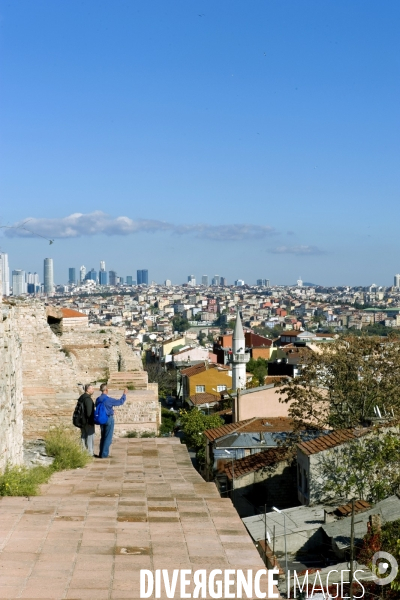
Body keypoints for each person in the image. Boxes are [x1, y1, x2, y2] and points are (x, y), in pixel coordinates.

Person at [96, 384, 128, 458]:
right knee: (108, 437)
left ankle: (101, 453)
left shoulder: (98, 399)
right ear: (106, 390)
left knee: (103, 436)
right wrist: (124, 394)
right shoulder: (108, 399)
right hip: (108, 419)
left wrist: (111, 411)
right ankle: (104, 454)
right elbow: (120, 402)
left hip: (101, 419)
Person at [78, 384, 95, 456]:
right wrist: (91, 422)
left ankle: (83, 452)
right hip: (87, 421)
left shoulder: (81, 397)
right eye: (92, 389)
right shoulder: (88, 399)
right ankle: (90, 453)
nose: (93, 390)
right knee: (90, 437)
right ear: (87, 390)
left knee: (83, 436)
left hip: (81, 421)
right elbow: (89, 412)